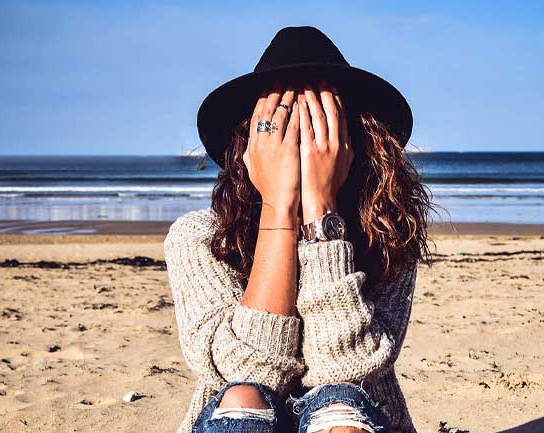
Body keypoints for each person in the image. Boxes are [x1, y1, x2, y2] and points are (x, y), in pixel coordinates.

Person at [164, 26, 433, 433]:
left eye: (321, 123)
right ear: (251, 141)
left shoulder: (388, 233)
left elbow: (346, 366)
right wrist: (279, 204)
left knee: (340, 405)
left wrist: (320, 212)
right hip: (237, 420)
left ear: (352, 137)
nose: (301, 141)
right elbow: (249, 370)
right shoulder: (197, 238)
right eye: (283, 125)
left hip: (354, 421)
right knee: (244, 396)